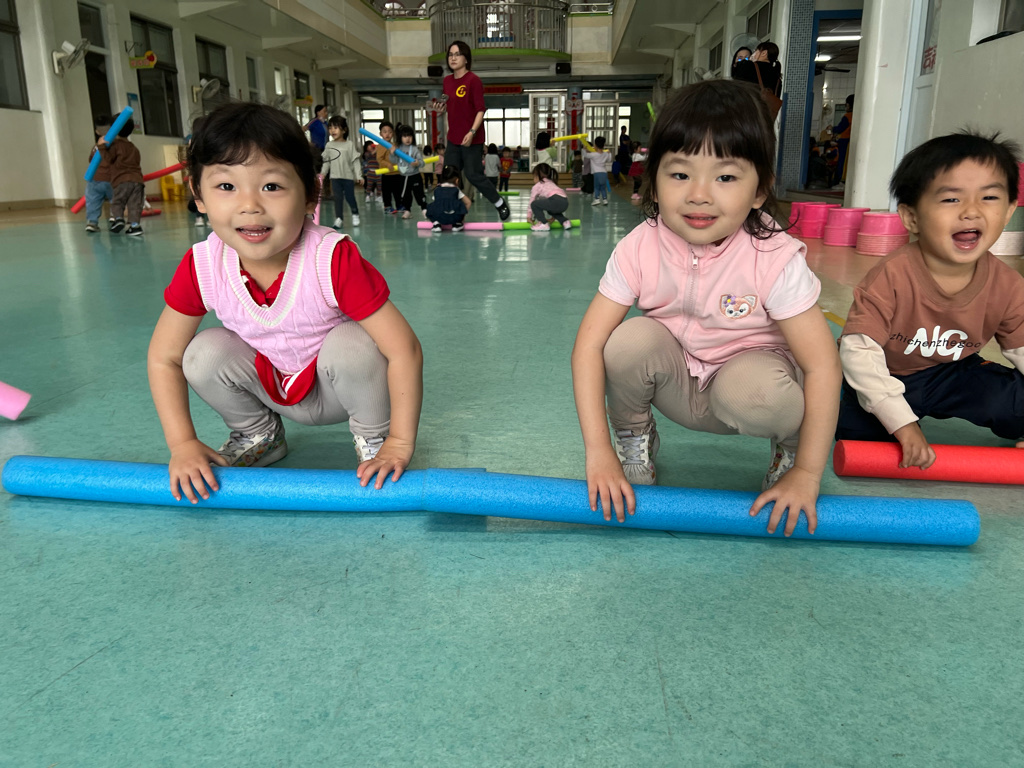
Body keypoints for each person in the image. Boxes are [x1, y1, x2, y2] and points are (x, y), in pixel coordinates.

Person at [571, 79, 841, 537]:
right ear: (653, 181)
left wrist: (808, 473)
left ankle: (791, 450)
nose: (699, 194)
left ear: (759, 191)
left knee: (756, 391)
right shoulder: (639, 247)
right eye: (680, 174)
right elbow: (587, 348)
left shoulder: (773, 257)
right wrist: (599, 453)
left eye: (726, 177)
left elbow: (823, 367)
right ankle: (634, 437)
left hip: (749, 390)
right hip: (680, 384)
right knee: (625, 341)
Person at [148, 102, 423, 503]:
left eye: (271, 186)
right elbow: (163, 358)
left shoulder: (331, 258)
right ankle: (259, 434)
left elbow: (404, 349)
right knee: (202, 352)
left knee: (354, 342)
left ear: (311, 193)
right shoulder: (203, 264)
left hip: (338, 388)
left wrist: (399, 441)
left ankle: (374, 438)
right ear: (198, 194)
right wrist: (183, 444)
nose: (249, 205)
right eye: (226, 187)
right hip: (269, 385)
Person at [836, 131, 1024, 468]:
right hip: (887, 372)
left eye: (989, 197)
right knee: (858, 436)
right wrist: (902, 423)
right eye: (951, 199)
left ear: (1009, 210)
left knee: (1013, 401)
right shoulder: (891, 275)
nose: (971, 211)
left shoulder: (1008, 285)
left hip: (955, 372)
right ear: (912, 217)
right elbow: (859, 352)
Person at [440, 41, 511, 221]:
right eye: (450, 54)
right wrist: (441, 109)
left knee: (473, 175)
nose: (453, 58)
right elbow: (450, 106)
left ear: (466, 59)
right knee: (448, 175)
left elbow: (480, 110)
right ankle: (453, 211)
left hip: (472, 138)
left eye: (457, 54)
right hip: (453, 138)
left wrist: (471, 132)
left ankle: (499, 203)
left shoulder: (473, 80)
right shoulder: (447, 81)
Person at [100, 119, 145, 236]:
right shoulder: (134, 148)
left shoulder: (115, 145)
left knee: (118, 202)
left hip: (121, 180)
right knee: (135, 204)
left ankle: (119, 219)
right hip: (137, 181)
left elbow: (109, 159)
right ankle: (135, 226)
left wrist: (101, 147)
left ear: (115, 129)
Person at [323, 115, 362, 228]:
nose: (332, 130)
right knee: (338, 198)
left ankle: (355, 213)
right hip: (335, 177)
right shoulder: (329, 145)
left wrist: (359, 175)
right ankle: (339, 218)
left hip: (348, 177)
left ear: (344, 130)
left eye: (336, 128)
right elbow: (326, 161)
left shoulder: (349, 144)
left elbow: (355, 161)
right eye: (330, 128)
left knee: (350, 197)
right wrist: (323, 173)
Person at [732, 41, 783, 117]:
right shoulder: (778, 78)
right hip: (765, 119)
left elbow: (737, 88)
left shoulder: (748, 66)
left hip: (747, 114)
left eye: (756, 51)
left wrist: (747, 62)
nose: (753, 54)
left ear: (764, 53)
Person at [84, 114, 114, 233]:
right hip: (111, 179)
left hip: (95, 179)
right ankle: (115, 216)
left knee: (93, 200)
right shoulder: (115, 145)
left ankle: (92, 222)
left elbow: (91, 160)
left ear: (97, 132)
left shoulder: (95, 147)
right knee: (116, 198)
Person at [391, 124, 427, 219]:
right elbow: (394, 161)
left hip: (415, 176)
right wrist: (392, 154)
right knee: (405, 195)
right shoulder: (397, 149)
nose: (407, 139)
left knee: (419, 194)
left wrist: (417, 163)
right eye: (405, 136)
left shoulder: (415, 149)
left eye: (410, 136)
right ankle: (407, 210)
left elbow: (422, 162)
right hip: (403, 177)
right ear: (400, 137)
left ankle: (424, 209)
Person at [426, 165, 472, 233]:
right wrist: (462, 216)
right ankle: (457, 224)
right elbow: (468, 202)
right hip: (454, 217)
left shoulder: (437, 189)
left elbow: (436, 203)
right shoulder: (456, 189)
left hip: (439, 216)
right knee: (460, 204)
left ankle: (436, 224)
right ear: (457, 180)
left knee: (430, 207)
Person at [526, 163, 571, 231]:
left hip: (555, 200)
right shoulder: (551, 182)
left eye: (533, 177)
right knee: (550, 209)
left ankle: (543, 224)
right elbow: (554, 205)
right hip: (565, 202)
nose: (533, 180)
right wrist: (553, 217)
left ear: (537, 176)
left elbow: (531, 201)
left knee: (534, 204)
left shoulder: (537, 185)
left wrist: (529, 216)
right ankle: (565, 221)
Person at [375, 121, 400, 214]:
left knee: (397, 191)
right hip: (387, 173)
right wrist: (387, 164)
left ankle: (399, 205)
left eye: (390, 132)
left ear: (393, 133)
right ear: (380, 134)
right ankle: (387, 206)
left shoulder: (394, 145)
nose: (387, 134)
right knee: (387, 192)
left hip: (396, 172)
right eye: (385, 132)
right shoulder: (381, 145)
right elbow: (379, 159)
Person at [832, 95, 854, 188]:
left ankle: (842, 181)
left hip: (845, 142)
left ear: (849, 105)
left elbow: (840, 128)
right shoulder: (857, 115)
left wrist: (832, 129)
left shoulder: (847, 116)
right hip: (851, 141)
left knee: (842, 161)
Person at [585, 137, 611, 206]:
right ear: (603, 145)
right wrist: (609, 153)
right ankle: (605, 200)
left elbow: (586, 155)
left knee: (596, 187)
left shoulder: (593, 154)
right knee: (603, 187)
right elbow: (609, 160)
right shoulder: (605, 154)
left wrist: (584, 149)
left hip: (597, 173)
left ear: (595, 145)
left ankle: (597, 199)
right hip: (604, 173)